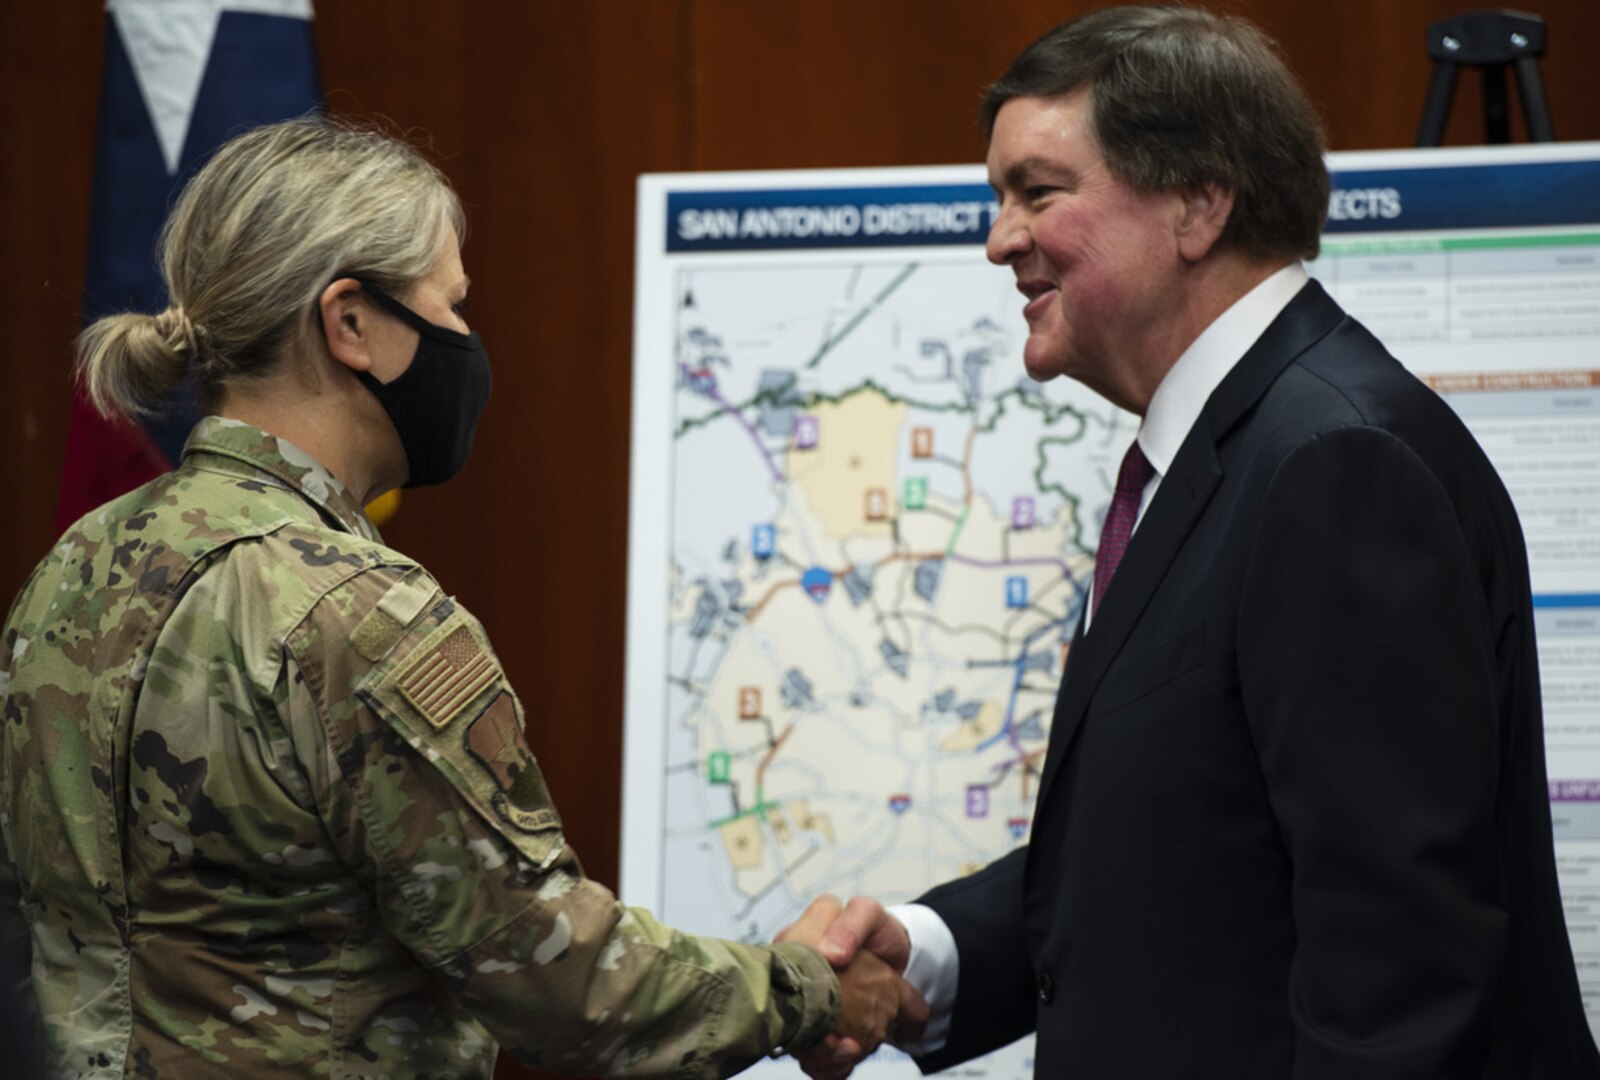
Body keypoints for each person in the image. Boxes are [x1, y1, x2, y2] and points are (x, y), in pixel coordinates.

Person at [0, 116, 909, 1078]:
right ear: (350, 321)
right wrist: (806, 988)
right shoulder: (357, 616)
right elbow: (555, 982)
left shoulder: (73, 566)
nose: (467, 340)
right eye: (453, 304)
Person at [790, 7, 1600, 1078]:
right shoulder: (1230, 451)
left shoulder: (1332, 464)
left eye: (1037, 192)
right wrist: (928, 958)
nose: (997, 239)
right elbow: (1192, 849)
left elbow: (1396, 974)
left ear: (1197, 202)